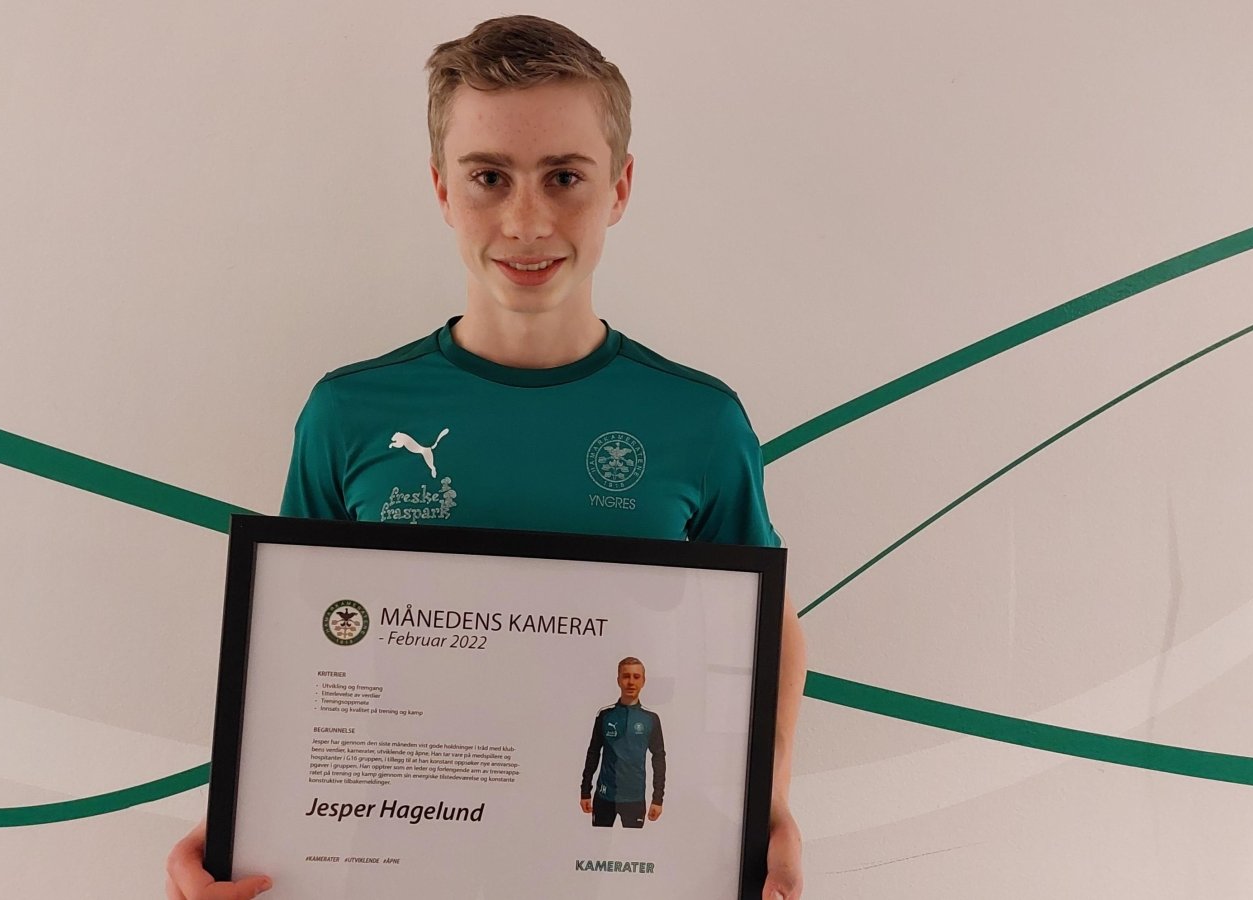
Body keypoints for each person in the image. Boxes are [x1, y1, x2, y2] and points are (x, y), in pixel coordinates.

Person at [166, 15, 806, 899]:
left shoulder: (699, 421)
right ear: (442, 188)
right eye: (489, 177)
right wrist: (238, 822)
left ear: (620, 187)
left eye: (564, 177)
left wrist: (769, 805)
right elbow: (294, 653)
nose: (526, 221)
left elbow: (767, 630)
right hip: (393, 869)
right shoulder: (349, 415)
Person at [581, 657, 665, 828]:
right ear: (618, 680)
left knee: (634, 843)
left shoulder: (650, 719)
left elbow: (658, 758)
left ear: (643, 681)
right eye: (626, 676)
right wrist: (585, 791)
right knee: (599, 842)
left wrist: (658, 799)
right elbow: (593, 753)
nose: (631, 682)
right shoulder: (605, 715)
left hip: (635, 798)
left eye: (636, 677)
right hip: (604, 796)